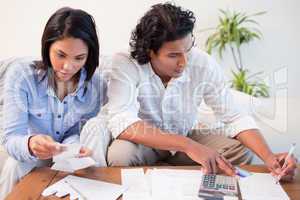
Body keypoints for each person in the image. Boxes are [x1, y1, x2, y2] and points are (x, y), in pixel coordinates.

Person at [81, 3, 297, 179]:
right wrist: (188, 146)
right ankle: (161, 175)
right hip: (145, 141)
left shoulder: (202, 63)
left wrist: (269, 157)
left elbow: (234, 116)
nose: (184, 61)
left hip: (186, 133)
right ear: (150, 52)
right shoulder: (126, 63)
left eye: (188, 49)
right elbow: (122, 121)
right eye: (174, 55)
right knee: (120, 154)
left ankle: (178, 177)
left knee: (240, 151)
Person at [0, 7, 106, 198]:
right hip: (31, 156)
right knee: (14, 165)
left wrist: (73, 148)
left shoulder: (96, 85)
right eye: (61, 55)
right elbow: (11, 138)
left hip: (67, 158)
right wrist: (31, 143)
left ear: (89, 55)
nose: (68, 67)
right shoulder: (21, 75)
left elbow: (76, 132)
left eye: (79, 58)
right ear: (47, 46)